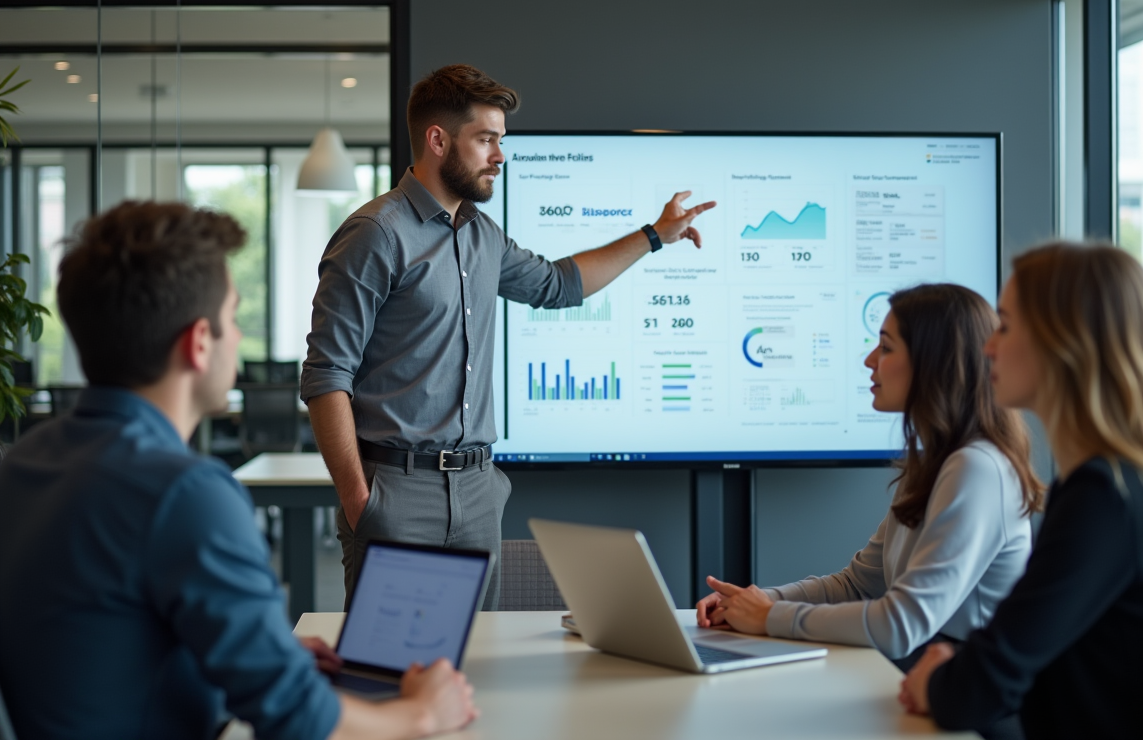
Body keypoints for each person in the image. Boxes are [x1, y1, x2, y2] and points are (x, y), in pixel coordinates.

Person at [0, 201, 477, 740]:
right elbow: (296, 718)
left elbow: (99, 634)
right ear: (199, 343)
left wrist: (263, 650)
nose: (237, 333)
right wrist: (421, 712)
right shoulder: (185, 494)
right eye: (232, 316)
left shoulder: (26, 463)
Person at [302, 64, 715, 609]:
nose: (500, 155)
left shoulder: (481, 234)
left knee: (476, 671)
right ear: (437, 140)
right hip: (398, 492)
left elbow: (560, 284)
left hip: (477, 492)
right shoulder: (375, 234)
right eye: (487, 140)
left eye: (501, 140)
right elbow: (326, 375)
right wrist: (362, 502)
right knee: (393, 676)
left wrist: (655, 237)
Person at [900, 242, 1143, 740]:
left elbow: (979, 690)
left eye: (1007, 325)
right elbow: (1022, 643)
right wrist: (956, 670)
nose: (989, 346)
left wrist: (939, 680)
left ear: (1067, 344)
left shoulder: (1106, 499)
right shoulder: (1122, 486)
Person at [697, 283, 1044, 671]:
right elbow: (859, 585)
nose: (869, 360)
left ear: (934, 362)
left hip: (966, 702)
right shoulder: (937, 463)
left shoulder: (977, 469)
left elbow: (900, 624)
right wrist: (756, 600)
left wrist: (768, 617)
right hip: (922, 675)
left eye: (886, 347)